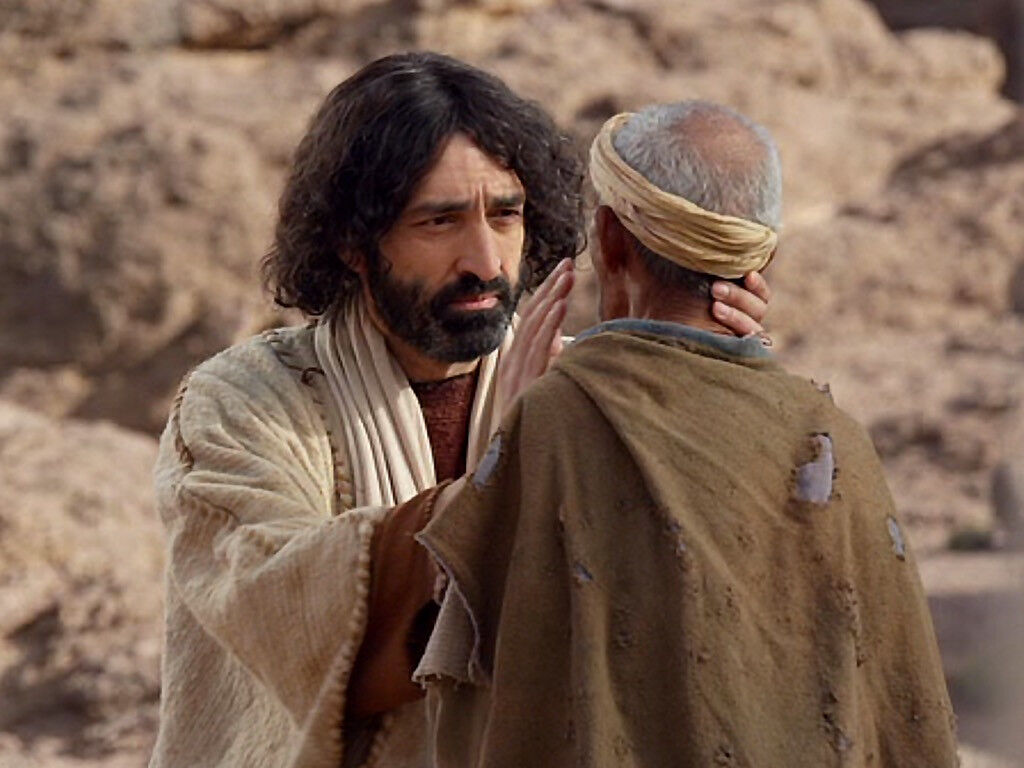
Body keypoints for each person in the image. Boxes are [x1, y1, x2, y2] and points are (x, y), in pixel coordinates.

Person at [149, 54, 767, 768]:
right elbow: (279, 605)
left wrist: (717, 397)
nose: (486, 260)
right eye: (439, 221)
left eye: (505, 215)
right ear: (353, 243)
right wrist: (508, 478)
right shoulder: (242, 403)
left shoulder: (583, 390)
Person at [413, 101, 959, 767]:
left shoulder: (553, 419)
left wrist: (511, 432)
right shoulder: (835, 438)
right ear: (762, 257)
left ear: (609, 239)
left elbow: (477, 668)